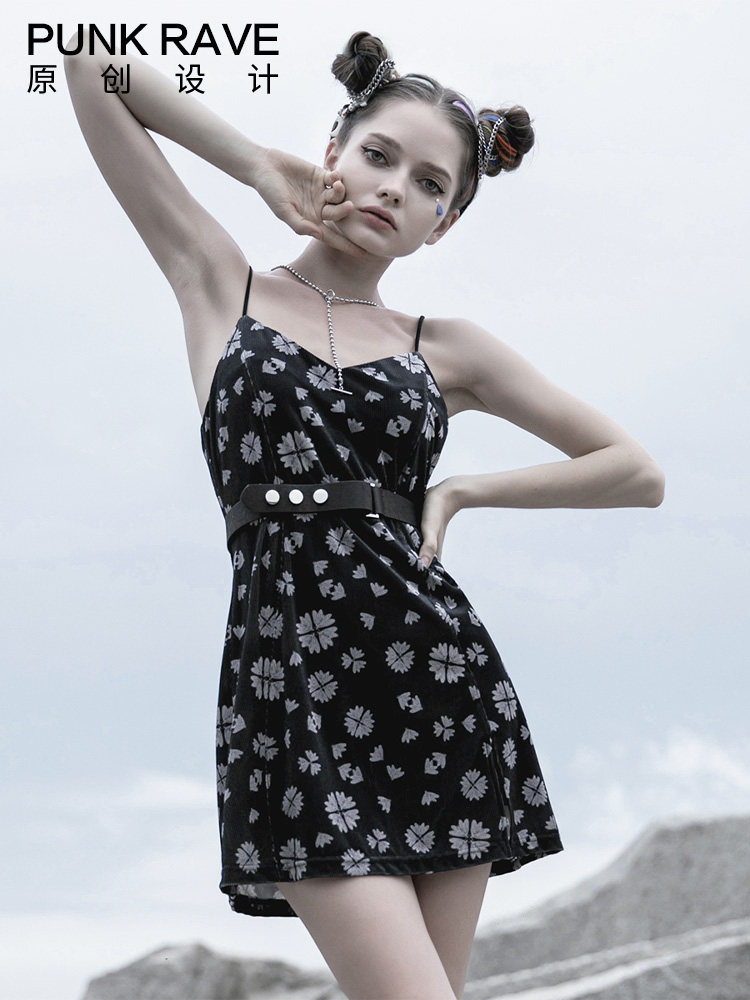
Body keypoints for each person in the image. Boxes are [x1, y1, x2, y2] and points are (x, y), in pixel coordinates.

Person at [64, 28, 665, 1000]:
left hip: (441, 687)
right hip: (290, 694)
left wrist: (463, 490)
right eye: (378, 155)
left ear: (444, 224)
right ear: (333, 147)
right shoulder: (220, 283)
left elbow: (635, 470)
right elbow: (92, 61)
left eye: (429, 184)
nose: (393, 189)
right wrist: (257, 166)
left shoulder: (447, 347)